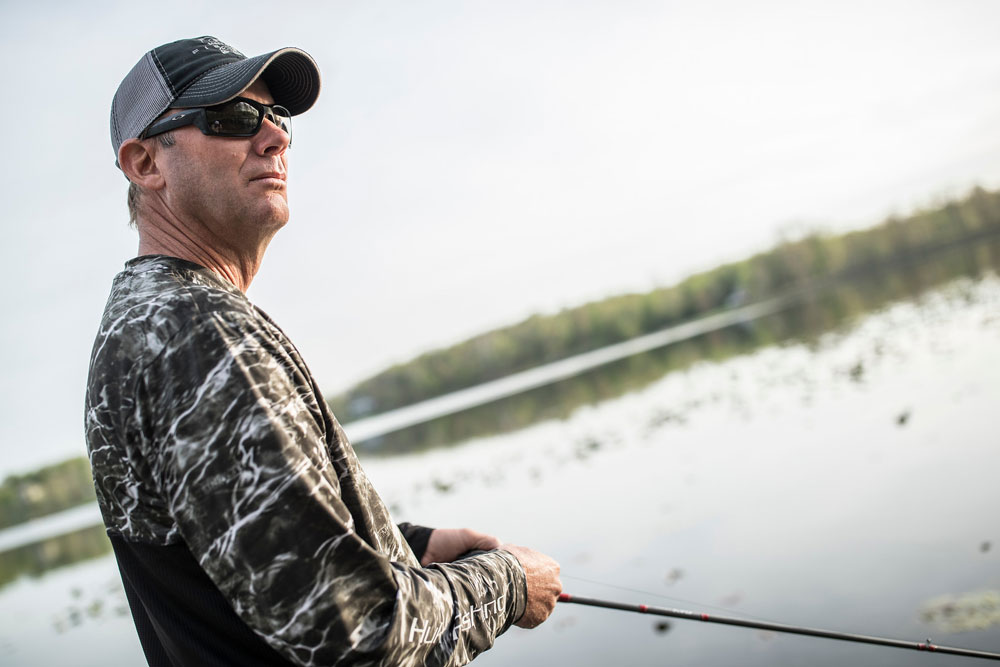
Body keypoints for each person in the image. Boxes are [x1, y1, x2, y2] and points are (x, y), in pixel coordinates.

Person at [86, 36, 561, 667]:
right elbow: (359, 639)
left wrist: (407, 544)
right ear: (145, 163)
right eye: (232, 119)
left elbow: (240, 542)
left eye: (276, 119)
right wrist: (506, 584)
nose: (275, 138)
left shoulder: (153, 319)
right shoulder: (198, 334)